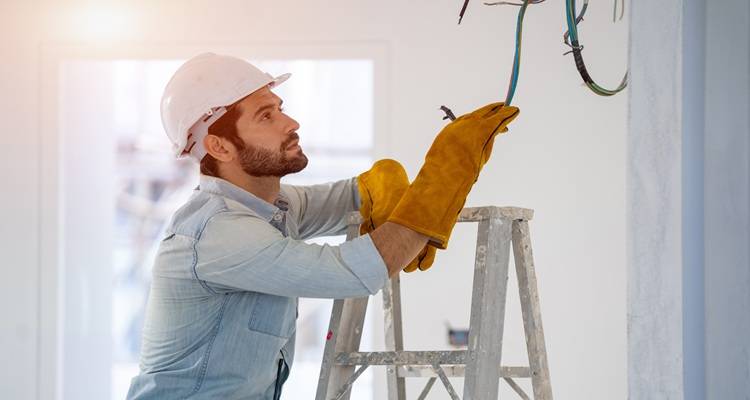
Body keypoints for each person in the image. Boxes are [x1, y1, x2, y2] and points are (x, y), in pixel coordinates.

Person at [126, 52, 519, 399]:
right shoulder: (218, 232)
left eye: (279, 107)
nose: (290, 122)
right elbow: (354, 271)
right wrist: (449, 171)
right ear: (220, 146)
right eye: (266, 115)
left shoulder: (270, 208)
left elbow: (348, 197)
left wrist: (384, 180)